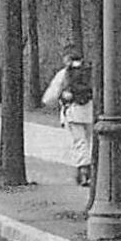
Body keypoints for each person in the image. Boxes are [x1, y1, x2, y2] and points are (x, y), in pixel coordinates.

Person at [42, 46, 95, 185]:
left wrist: (48, 102)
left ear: (67, 58)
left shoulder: (65, 73)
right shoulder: (90, 72)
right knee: (89, 142)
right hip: (90, 111)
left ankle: (84, 172)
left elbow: (51, 95)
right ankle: (91, 171)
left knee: (79, 142)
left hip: (73, 112)